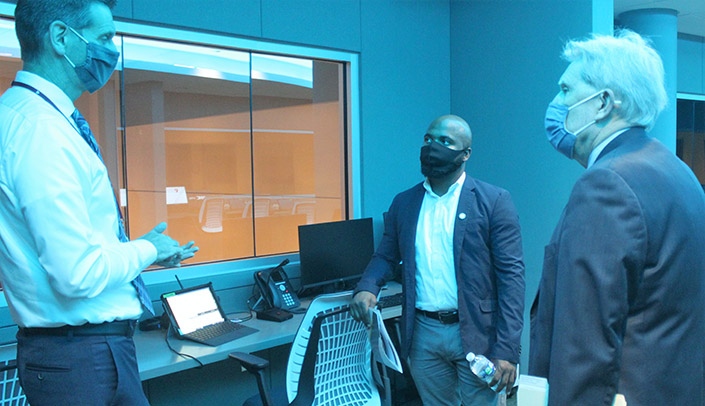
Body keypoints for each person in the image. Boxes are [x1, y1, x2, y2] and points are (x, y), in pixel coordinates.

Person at [0, 1, 198, 404]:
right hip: (81, 357)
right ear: (60, 38)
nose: (112, 50)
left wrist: (143, 254)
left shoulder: (27, 118)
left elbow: (71, 249)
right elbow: (75, 274)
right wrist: (146, 249)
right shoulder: (42, 133)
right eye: (104, 37)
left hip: (78, 351)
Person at [529, 29, 705, 405]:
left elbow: (584, 350)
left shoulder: (607, 184)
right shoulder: (677, 172)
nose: (556, 103)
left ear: (604, 102)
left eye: (565, 90)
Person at [350, 114, 525, 405]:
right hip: (423, 334)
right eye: (429, 139)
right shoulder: (404, 203)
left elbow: (512, 279)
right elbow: (386, 254)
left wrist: (507, 349)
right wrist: (367, 286)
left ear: (466, 153)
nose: (434, 147)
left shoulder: (494, 201)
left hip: (476, 333)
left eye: (445, 141)